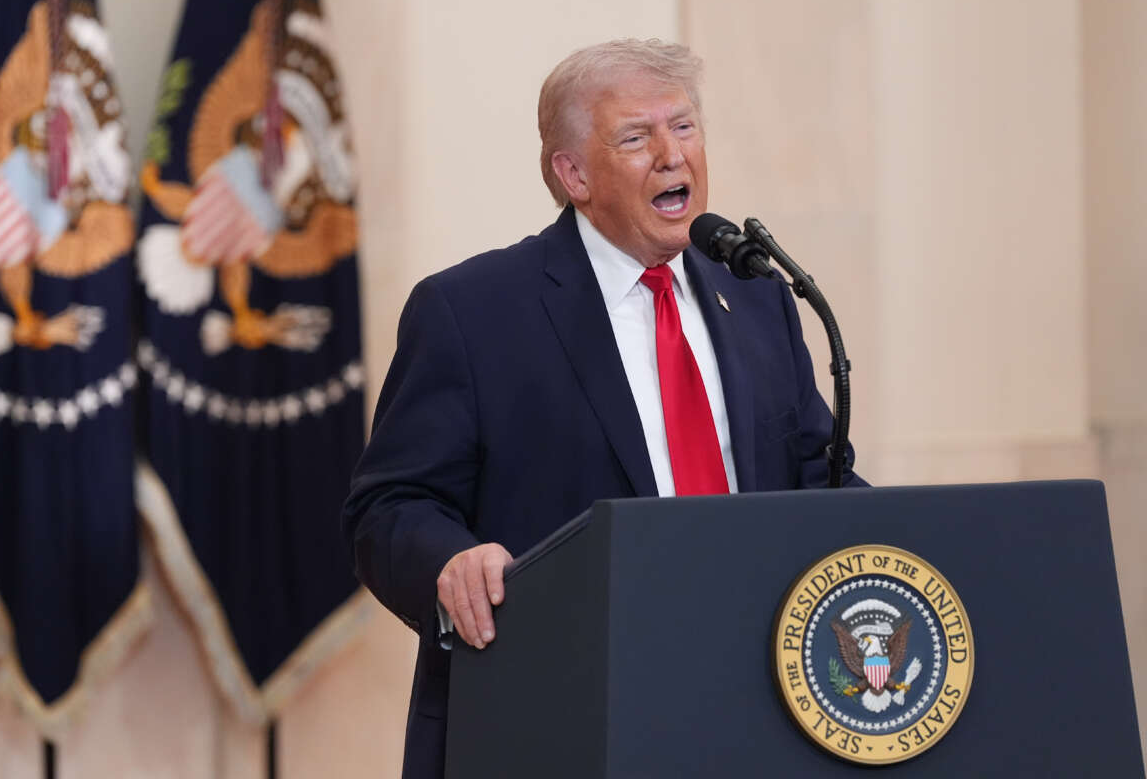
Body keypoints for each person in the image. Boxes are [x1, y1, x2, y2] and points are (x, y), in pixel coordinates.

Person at [342, 38, 864, 779]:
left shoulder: (755, 297)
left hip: (754, 710)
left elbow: (815, 476)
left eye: (684, 127)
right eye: (635, 136)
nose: (671, 155)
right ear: (574, 173)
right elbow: (388, 508)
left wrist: (914, 542)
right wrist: (449, 562)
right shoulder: (474, 312)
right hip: (560, 718)